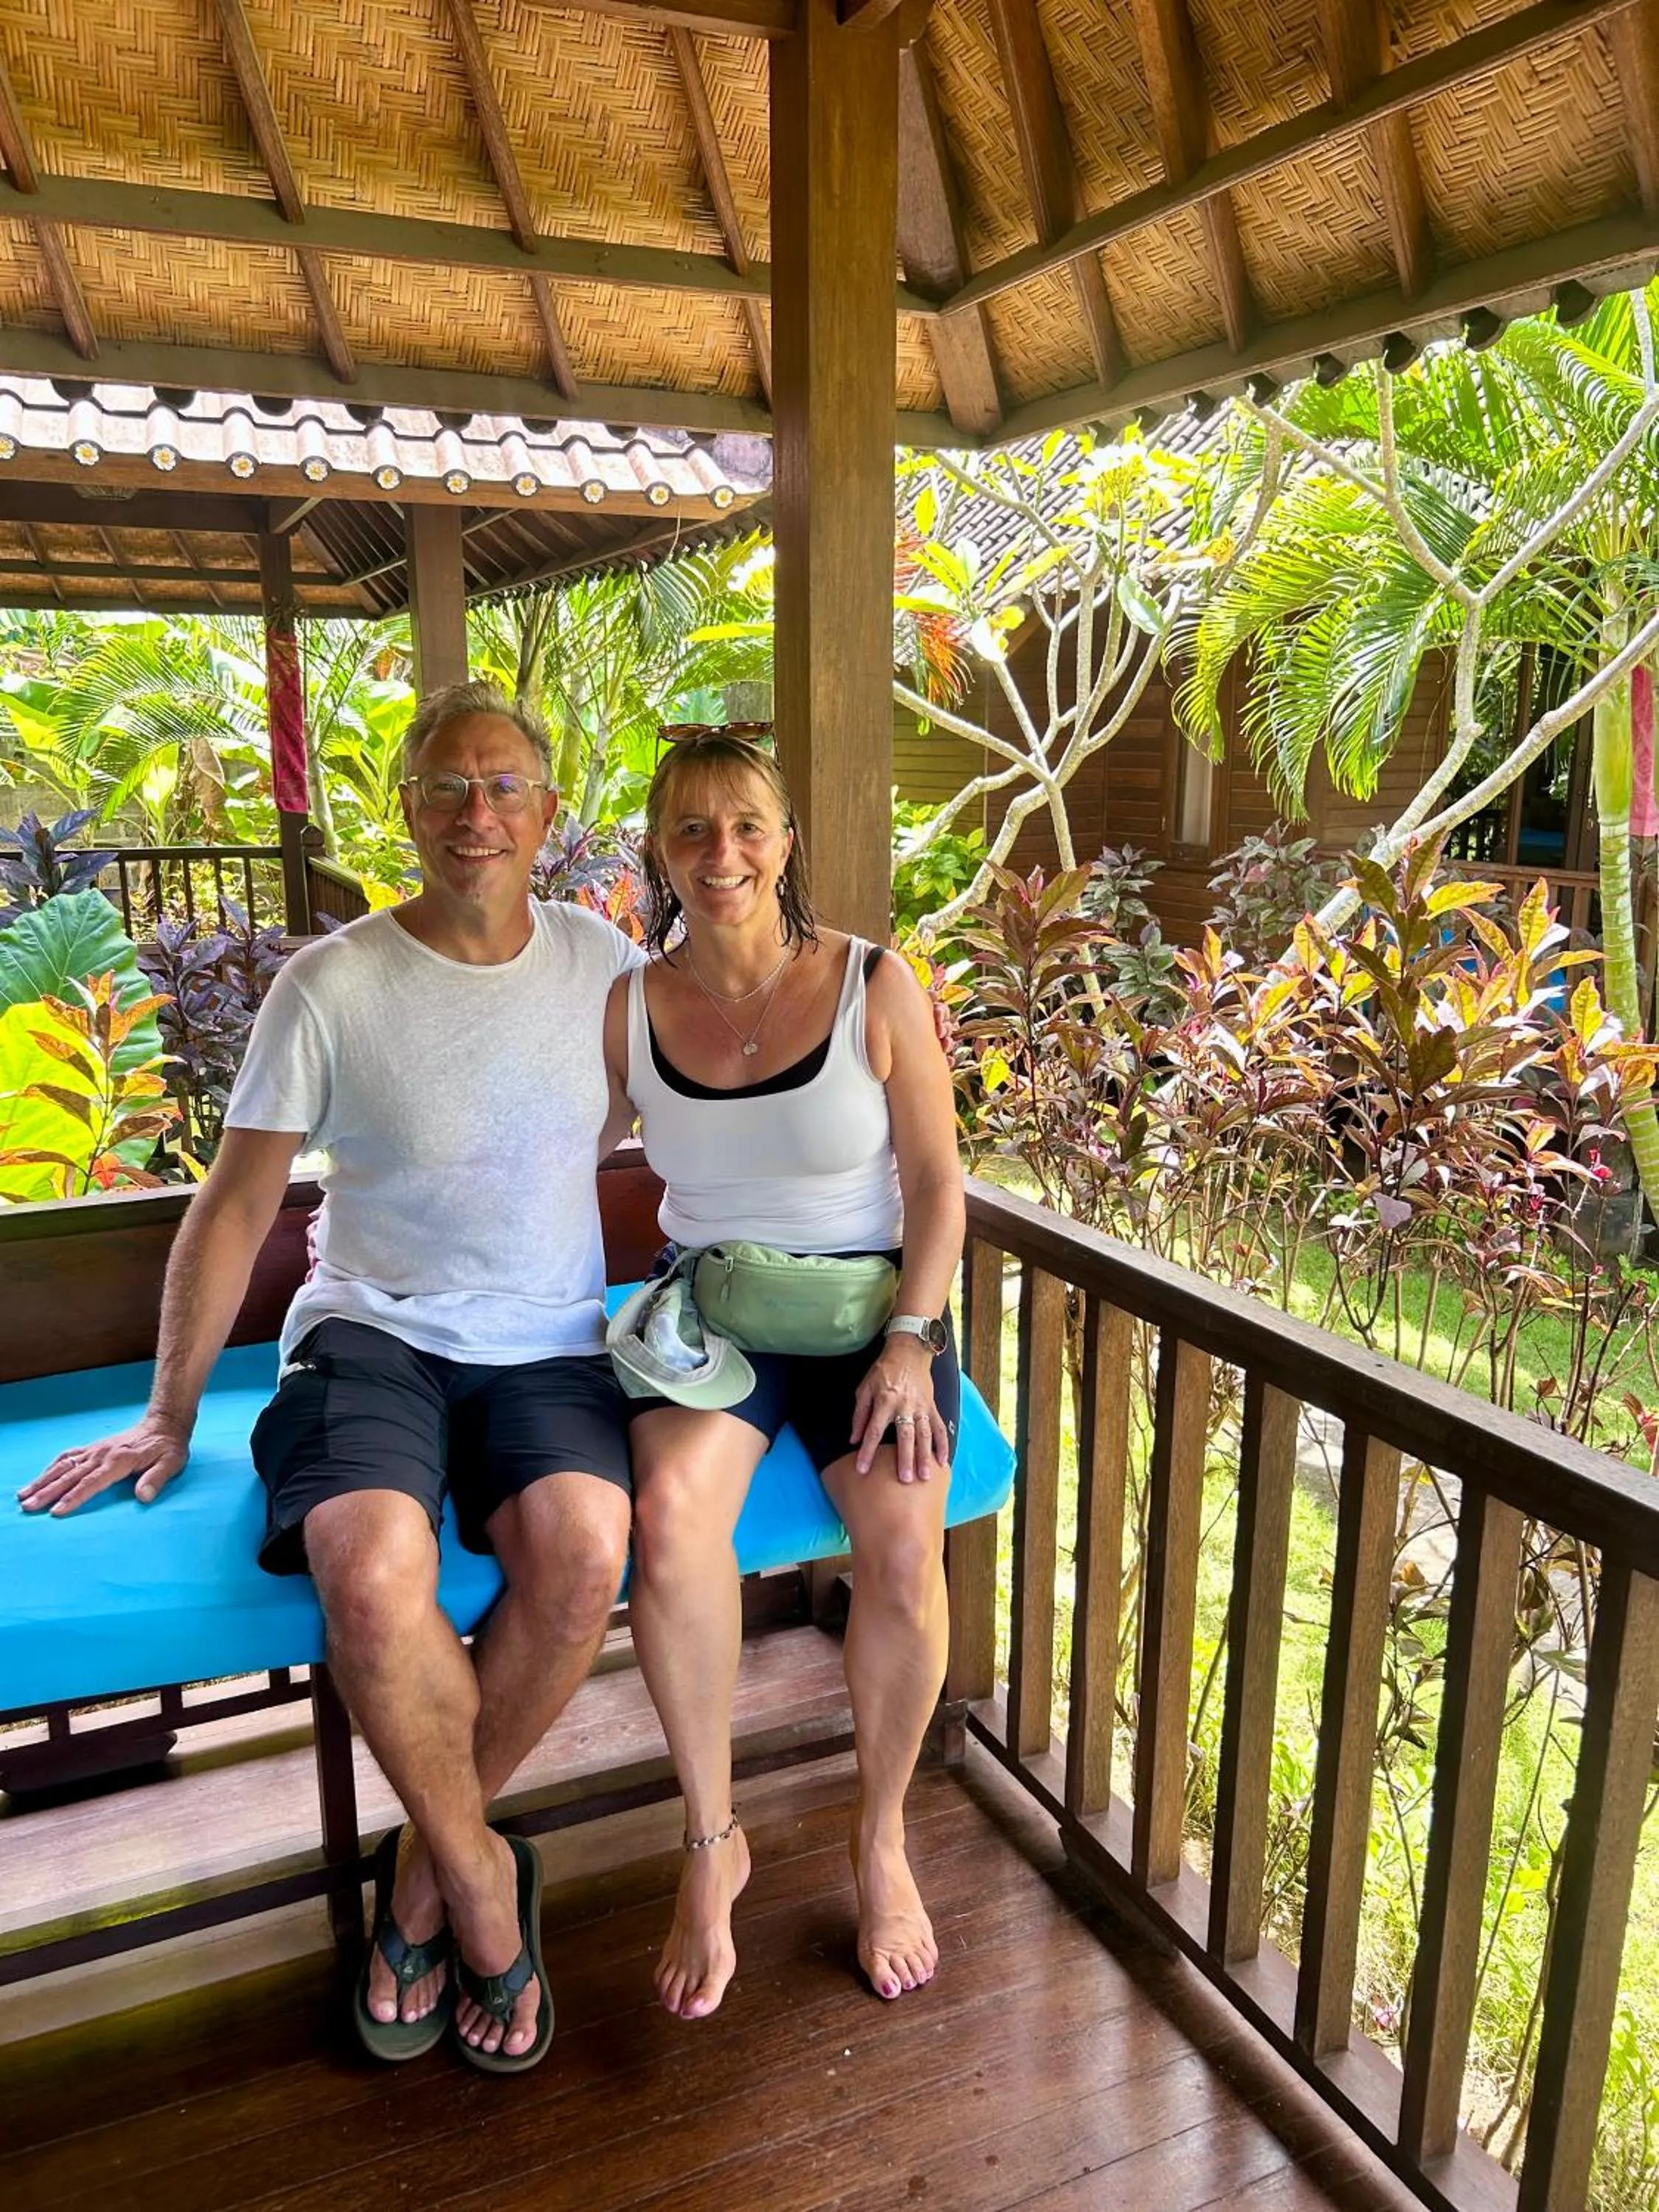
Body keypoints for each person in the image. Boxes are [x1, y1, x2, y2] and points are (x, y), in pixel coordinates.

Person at [17, 681, 642, 2074]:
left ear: (546, 811)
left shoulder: (606, 966)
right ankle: (482, 1887)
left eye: (503, 786)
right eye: (446, 786)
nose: (475, 813)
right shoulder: (333, 983)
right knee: (366, 1572)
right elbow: (237, 1203)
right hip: (370, 1332)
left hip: (547, 1338)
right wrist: (169, 1410)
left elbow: (711, 1097)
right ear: (406, 809)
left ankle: (419, 1879)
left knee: (584, 1554)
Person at [602, 728, 964, 2022]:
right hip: (716, 1314)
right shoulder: (627, 1007)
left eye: (746, 824)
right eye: (692, 829)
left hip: (872, 1314)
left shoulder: (873, 981)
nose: (722, 853)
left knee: (903, 1548)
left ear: (786, 841)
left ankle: (880, 1837)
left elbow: (938, 1183)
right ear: (659, 851)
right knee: (670, 1518)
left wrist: (912, 1341)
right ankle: (712, 1840)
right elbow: (546, 1149)